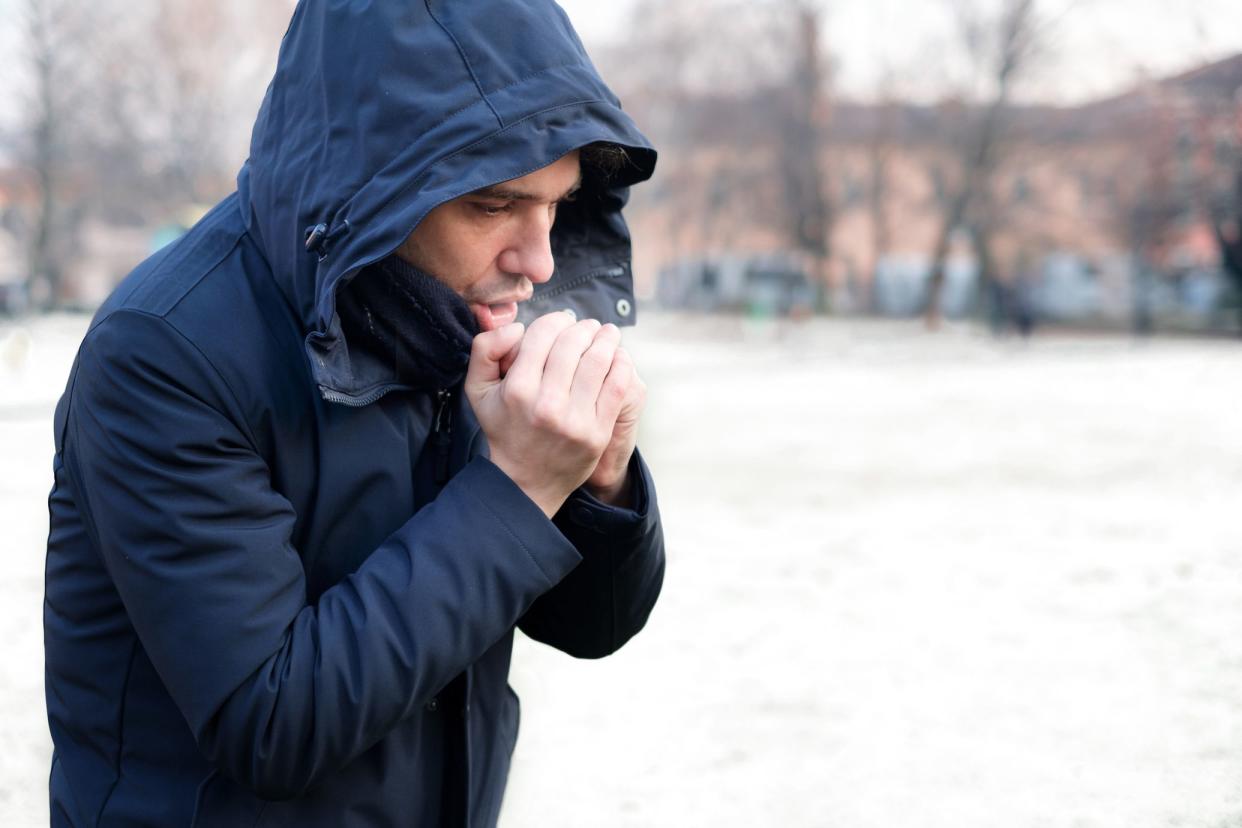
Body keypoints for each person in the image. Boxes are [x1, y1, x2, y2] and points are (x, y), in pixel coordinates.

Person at [42, 1, 665, 826]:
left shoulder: (459, 312)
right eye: (494, 205)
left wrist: (600, 483)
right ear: (378, 179)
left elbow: (598, 625)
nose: (540, 258)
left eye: (558, 203)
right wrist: (517, 489)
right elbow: (270, 726)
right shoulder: (163, 356)